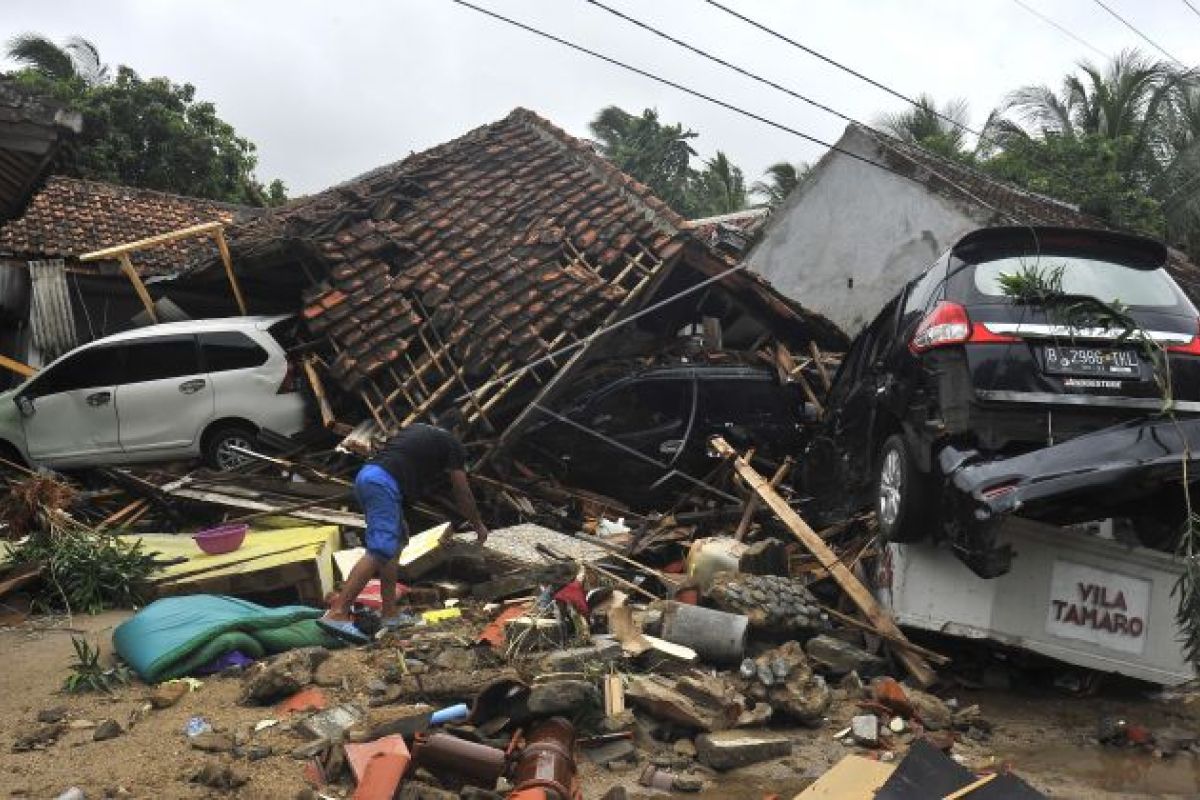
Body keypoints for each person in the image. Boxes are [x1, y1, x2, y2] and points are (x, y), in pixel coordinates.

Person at [319, 411, 488, 642]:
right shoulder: (451, 443)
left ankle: (390, 615)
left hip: (368, 476)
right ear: (458, 430)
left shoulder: (416, 428)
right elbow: (462, 490)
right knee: (380, 549)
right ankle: (337, 612)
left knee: (395, 543)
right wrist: (478, 524)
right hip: (382, 483)